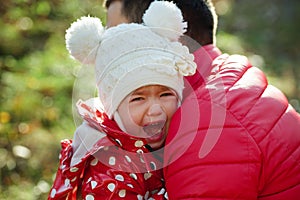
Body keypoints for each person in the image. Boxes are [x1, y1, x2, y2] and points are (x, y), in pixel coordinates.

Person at [104, 0, 300, 199]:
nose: (105, 54)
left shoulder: (205, 124)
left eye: (116, 38)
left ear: (164, 35)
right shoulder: (230, 79)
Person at [48, 1, 196, 199]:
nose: (155, 109)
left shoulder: (150, 144)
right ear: (113, 108)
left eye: (166, 94)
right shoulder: (111, 169)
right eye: (138, 98)